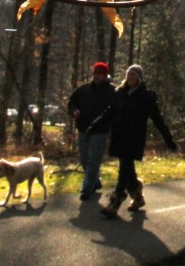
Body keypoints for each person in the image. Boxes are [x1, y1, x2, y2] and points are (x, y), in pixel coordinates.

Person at [89, 63, 178, 218]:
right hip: (119, 136)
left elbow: (158, 120)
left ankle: (116, 201)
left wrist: (169, 141)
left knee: (124, 167)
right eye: (129, 75)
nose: (130, 78)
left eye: (134, 76)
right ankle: (137, 193)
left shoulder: (146, 97)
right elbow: (108, 114)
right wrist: (93, 126)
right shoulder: (120, 93)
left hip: (134, 138)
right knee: (127, 167)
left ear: (139, 79)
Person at [67, 61, 115, 201]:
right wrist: (74, 111)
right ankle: (96, 181)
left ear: (106, 75)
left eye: (101, 74)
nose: (98, 76)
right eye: (96, 73)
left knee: (94, 160)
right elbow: (71, 101)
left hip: (101, 131)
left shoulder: (112, 91)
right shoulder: (83, 89)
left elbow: (119, 107)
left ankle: (86, 189)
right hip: (83, 128)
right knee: (84, 159)